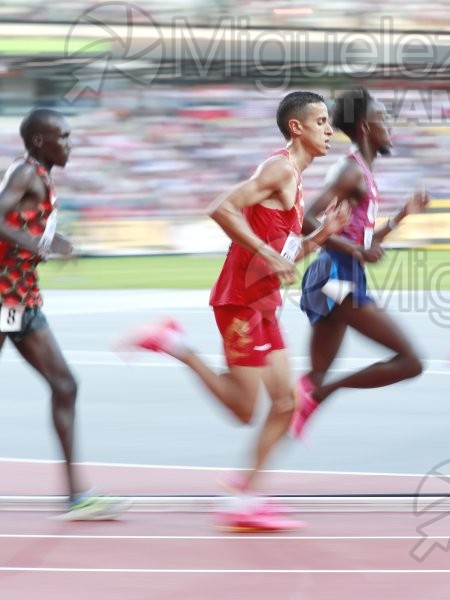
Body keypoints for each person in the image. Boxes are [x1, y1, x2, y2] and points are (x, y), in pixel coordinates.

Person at [119, 92, 349, 531]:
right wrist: (268, 250)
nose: (329, 130)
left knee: (286, 402)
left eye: (329, 122)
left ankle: (245, 496)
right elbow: (220, 208)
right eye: (320, 121)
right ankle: (174, 343)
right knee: (245, 409)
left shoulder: (296, 181)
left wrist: (321, 235)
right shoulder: (279, 167)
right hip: (240, 302)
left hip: (263, 302)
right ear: (296, 127)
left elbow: (285, 253)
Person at [0, 108, 127, 520]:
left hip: (22, 300)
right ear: (40, 141)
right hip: (4, 301)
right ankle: (75, 496)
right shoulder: (25, 173)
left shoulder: (40, 177)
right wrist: (37, 247)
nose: (70, 144)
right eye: (64, 136)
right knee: (65, 384)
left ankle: (76, 497)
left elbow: (26, 228)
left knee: (65, 385)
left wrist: (58, 243)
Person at [289, 88, 428, 438]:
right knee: (410, 362)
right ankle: (323, 394)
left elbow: (363, 242)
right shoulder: (350, 171)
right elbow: (305, 218)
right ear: (366, 127)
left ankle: (252, 479)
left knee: (310, 382)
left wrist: (401, 217)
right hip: (336, 277)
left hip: (340, 273)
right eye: (383, 119)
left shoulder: (361, 173)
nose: (389, 127)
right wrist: (356, 252)